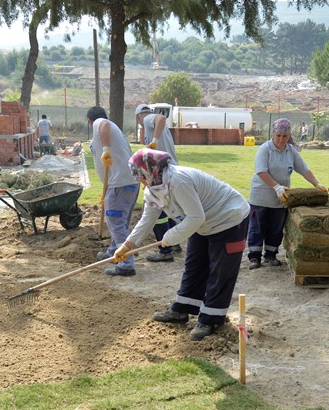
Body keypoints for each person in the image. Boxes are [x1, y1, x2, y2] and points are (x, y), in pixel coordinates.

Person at [112, 148, 250, 341]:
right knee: (194, 265)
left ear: (149, 171)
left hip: (228, 218)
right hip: (201, 222)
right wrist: (127, 246)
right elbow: (147, 219)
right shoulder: (153, 187)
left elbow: (196, 217)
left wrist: (169, 237)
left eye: (140, 176)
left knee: (220, 271)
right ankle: (182, 309)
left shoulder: (178, 181)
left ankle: (211, 319)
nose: (139, 181)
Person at [247, 118, 328, 269]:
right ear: (273, 134)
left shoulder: (291, 151)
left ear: (289, 136)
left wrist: (316, 183)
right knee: (257, 228)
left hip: (280, 198)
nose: (281, 139)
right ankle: (254, 258)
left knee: (276, 228)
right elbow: (261, 171)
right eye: (278, 135)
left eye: (284, 136)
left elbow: (304, 169)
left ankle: (270, 256)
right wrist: (276, 186)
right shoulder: (265, 149)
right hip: (261, 197)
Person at [87, 106, 139, 277]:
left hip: (120, 183)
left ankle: (126, 264)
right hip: (126, 182)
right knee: (119, 223)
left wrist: (106, 150)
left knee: (116, 223)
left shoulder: (100, 123)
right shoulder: (111, 128)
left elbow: (104, 125)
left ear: (90, 121)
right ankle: (114, 251)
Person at [134, 103, 180, 263]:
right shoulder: (151, 124)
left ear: (138, 117)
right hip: (171, 170)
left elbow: (161, 118)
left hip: (163, 173)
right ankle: (175, 243)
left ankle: (165, 251)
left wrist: (153, 141)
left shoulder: (147, 120)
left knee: (157, 211)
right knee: (171, 208)